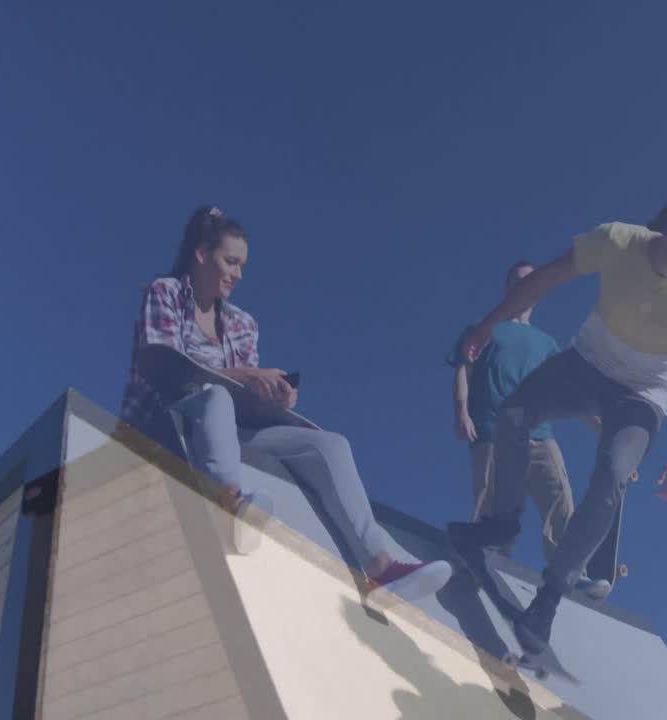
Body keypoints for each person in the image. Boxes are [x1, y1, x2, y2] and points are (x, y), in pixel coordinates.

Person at [447, 184, 667, 655]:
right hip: (587, 364)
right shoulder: (618, 241)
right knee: (514, 414)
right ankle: (501, 522)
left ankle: (549, 598)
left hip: (644, 394)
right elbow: (544, 280)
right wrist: (490, 323)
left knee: (612, 476)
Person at [121, 206, 452, 604]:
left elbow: (243, 393)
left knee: (331, 444)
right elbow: (166, 366)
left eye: (242, 266)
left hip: (229, 425)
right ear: (202, 255)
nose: (238, 274)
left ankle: (381, 569)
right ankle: (227, 504)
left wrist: (271, 394)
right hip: (168, 414)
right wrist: (247, 375)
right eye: (230, 262)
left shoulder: (243, 324)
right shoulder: (166, 293)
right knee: (216, 397)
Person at [446, 262, 612, 599]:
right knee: (492, 501)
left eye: (532, 281)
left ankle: (569, 571)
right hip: (491, 430)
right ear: (508, 288)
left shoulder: (547, 344)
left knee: (558, 496)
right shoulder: (485, 328)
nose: (527, 286)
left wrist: (598, 425)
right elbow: (463, 368)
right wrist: (462, 412)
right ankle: (483, 563)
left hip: (539, 433)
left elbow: (566, 392)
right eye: (520, 281)